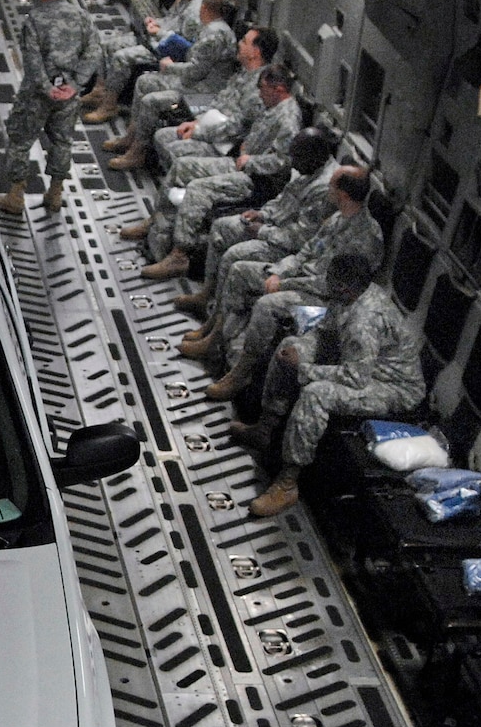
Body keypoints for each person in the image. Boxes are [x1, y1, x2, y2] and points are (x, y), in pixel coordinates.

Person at [238, 250, 423, 517]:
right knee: (291, 346)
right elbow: (329, 330)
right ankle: (266, 428)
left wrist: (303, 369)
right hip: (362, 367)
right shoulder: (351, 295)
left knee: (317, 394)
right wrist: (300, 350)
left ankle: (288, 482)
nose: (327, 283)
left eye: (331, 280)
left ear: (344, 288)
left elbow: (355, 378)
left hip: (393, 387)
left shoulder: (365, 322)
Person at [204, 164, 384, 402]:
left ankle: (242, 372)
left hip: (326, 302)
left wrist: (287, 284)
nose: (328, 187)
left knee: (267, 306)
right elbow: (306, 251)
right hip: (302, 281)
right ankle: (217, 336)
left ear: (343, 193)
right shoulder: (337, 219)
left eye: (332, 184)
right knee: (239, 271)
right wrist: (280, 272)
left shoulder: (367, 238)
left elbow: (335, 286)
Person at [139, 65, 303, 277]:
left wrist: (251, 161)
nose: (259, 93)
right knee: (182, 167)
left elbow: (283, 161)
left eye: (262, 88)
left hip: (256, 180)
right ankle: (158, 221)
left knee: (199, 189)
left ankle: (179, 254)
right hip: (240, 164)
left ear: (278, 88)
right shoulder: (273, 107)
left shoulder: (288, 119)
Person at [174, 127, 339, 332]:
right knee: (222, 227)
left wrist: (262, 231)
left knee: (233, 256)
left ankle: (218, 325)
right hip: (276, 227)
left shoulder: (322, 188)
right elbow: (284, 199)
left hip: (289, 247)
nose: (292, 162)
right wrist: (263, 214)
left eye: (296, 157)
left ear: (313, 156)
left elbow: (300, 239)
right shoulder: (309, 168)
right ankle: (206, 294)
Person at [0, 0, 103, 217]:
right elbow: (93, 53)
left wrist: (46, 87)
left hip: (36, 95)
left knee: (20, 141)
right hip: (68, 95)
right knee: (62, 142)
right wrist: (74, 86)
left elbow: (32, 59)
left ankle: (15, 196)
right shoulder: (83, 18)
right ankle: (55, 194)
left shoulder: (35, 19)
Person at [112, 24, 273, 181]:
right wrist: (197, 122)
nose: (239, 44)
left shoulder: (258, 88)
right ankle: (174, 179)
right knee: (162, 136)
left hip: (223, 143)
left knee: (173, 146)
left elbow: (234, 127)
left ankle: (180, 182)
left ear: (255, 52)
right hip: (210, 124)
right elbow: (220, 101)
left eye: (244, 42)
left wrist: (197, 132)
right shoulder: (243, 73)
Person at [102, 0, 235, 172]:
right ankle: (131, 137)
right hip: (195, 82)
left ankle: (137, 152)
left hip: (201, 90)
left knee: (151, 101)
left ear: (204, 8)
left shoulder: (214, 34)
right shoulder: (213, 28)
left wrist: (170, 67)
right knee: (145, 82)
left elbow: (196, 70)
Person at [81, 0, 206, 124]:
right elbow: (170, 21)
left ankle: (109, 105)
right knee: (108, 45)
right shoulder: (183, 0)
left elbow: (184, 45)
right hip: (156, 38)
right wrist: (156, 22)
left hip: (166, 50)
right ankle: (99, 91)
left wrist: (158, 32)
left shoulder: (196, 10)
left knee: (122, 57)